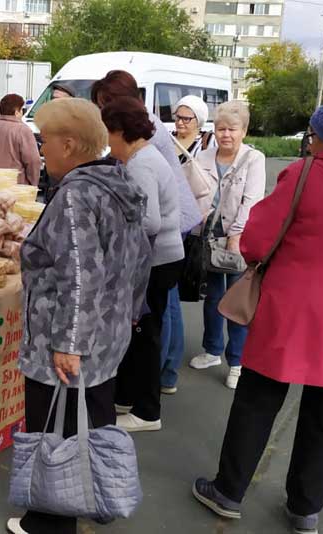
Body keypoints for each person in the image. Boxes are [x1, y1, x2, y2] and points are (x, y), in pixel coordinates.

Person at [192, 97, 323, 534]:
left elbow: (256, 239)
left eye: (312, 135)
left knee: (257, 401)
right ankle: (305, 508)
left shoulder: (306, 173)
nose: (310, 143)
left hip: (293, 306)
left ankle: (229, 492)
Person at [8, 98, 152, 534]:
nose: (40, 149)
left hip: (67, 340)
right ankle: (96, 494)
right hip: (106, 334)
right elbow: (138, 259)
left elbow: (78, 275)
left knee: (56, 430)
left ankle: (50, 521)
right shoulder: (116, 182)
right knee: (92, 421)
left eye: (44, 141)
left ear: (68, 144)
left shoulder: (76, 194)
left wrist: (69, 343)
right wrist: (127, 314)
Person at [101, 97, 183, 432]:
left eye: (108, 133)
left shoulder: (141, 164)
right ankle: (129, 398)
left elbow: (148, 221)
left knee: (145, 335)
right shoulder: (144, 157)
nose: (107, 142)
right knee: (139, 335)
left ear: (121, 131)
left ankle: (147, 412)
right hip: (160, 258)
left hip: (157, 261)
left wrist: (110, 225)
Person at [189, 101, 266, 390]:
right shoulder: (204, 155)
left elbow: (252, 200)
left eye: (232, 129)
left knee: (237, 301)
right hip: (208, 235)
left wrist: (237, 234)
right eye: (221, 129)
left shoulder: (253, 159)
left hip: (238, 238)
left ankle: (237, 361)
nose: (226, 135)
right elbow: (194, 191)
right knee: (212, 297)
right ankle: (212, 350)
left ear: (243, 131)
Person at [91, 70, 201, 235]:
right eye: (100, 107)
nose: (103, 112)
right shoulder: (137, 123)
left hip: (172, 221)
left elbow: (122, 165)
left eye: (106, 105)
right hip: (163, 217)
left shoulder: (144, 130)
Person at [161, 94, 215, 394]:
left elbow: (205, 195)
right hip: (169, 226)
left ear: (199, 121)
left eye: (187, 118)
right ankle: (167, 369)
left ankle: (167, 370)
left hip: (184, 230)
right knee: (169, 300)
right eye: (178, 117)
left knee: (169, 299)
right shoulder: (167, 143)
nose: (180, 123)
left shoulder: (204, 150)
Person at [0, 94, 41, 186]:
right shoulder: (23, 130)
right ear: (17, 112)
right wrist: (33, 184)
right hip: (12, 186)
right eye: (21, 110)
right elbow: (33, 161)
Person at [173, 94, 214, 160]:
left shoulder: (209, 140)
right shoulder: (168, 138)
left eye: (186, 119)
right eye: (178, 117)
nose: (179, 122)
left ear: (198, 120)